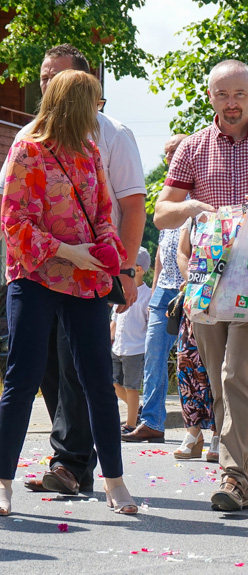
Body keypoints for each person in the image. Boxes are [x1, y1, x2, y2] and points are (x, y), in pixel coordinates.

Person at [154, 59, 248, 511]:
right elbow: (161, 211)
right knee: (219, 381)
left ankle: (236, 479)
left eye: (240, 94)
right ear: (210, 98)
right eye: (223, 95)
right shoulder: (193, 148)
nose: (232, 103)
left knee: (239, 373)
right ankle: (237, 471)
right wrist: (191, 206)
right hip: (205, 281)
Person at [4, 44, 147, 497]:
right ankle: (2, 480)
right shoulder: (26, 151)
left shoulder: (90, 152)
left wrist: (110, 261)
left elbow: (107, 215)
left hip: (86, 282)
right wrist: (67, 250)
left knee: (97, 382)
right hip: (36, 278)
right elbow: (13, 222)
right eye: (91, 106)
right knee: (23, 380)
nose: (97, 115)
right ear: (73, 106)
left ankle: (115, 481)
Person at [123, 134, 189, 442]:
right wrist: (154, 287)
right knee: (153, 354)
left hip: (193, 285)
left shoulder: (199, 186)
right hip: (164, 287)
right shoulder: (166, 193)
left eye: (174, 151)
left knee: (194, 359)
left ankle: (203, 427)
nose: (169, 158)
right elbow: (163, 246)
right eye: (166, 154)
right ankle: (152, 422)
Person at [174, 219, 218, 461]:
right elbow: (183, 252)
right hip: (195, 298)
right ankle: (193, 432)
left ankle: (220, 434)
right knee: (187, 365)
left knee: (217, 370)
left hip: (225, 298)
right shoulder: (191, 218)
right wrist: (194, 279)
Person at [111, 247, 153, 433]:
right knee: (111, 383)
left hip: (135, 348)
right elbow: (115, 319)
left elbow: (149, 323)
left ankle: (131, 424)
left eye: (133, 266)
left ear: (141, 269)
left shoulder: (147, 295)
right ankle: (136, 410)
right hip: (118, 346)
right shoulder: (121, 291)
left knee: (131, 386)